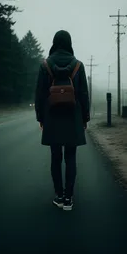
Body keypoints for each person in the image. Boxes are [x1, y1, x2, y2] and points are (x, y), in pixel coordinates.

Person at [35, 30, 90, 211]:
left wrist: (41, 118)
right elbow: (83, 94)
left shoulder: (45, 65)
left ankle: (59, 196)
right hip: (73, 116)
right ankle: (69, 199)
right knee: (71, 157)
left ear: (54, 42)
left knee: (55, 157)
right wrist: (85, 118)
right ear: (69, 43)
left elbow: (40, 95)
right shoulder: (78, 65)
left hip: (52, 116)